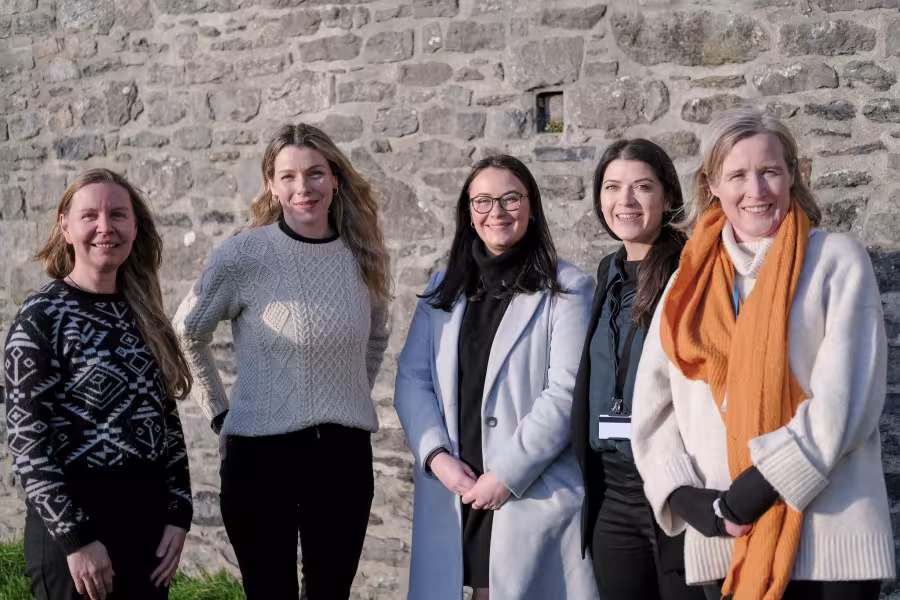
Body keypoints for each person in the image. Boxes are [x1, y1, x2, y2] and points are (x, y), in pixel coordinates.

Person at [631, 107, 895, 600]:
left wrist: (754, 489)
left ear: (792, 174)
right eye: (737, 175)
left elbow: (847, 399)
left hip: (830, 538)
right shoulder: (686, 283)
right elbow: (653, 406)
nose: (755, 190)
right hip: (726, 539)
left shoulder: (835, 260)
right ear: (712, 185)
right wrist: (686, 496)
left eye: (770, 171)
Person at [173, 123, 391, 600]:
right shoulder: (243, 255)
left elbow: (376, 339)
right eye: (287, 176)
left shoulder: (363, 255)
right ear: (271, 184)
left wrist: (345, 396)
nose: (302, 188)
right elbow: (187, 333)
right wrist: (219, 412)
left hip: (343, 458)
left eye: (315, 173)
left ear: (335, 178)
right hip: (259, 458)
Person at [394, 155, 599, 600]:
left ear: (531, 205)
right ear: (468, 212)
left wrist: (505, 474)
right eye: (482, 201)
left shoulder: (568, 289)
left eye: (510, 198)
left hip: (527, 488)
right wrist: (437, 458)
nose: (497, 212)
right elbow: (412, 380)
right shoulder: (440, 288)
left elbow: (566, 392)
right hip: (455, 486)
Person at [4, 168, 194, 600]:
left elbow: (165, 420)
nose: (105, 227)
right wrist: (76, 538)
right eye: (90, 215)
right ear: (65, 227)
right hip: (74, 528)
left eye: (118, 215)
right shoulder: (41, 318)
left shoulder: (143, 313)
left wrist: (179, 511)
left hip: (145, 526)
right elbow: (26, 438)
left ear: (134, 227)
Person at [571, 139, 702, 600]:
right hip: (612, 492)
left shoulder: (694, 269)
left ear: (668, 197)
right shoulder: (607, 270)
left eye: (641, 187)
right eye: (612, 187)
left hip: (678, 486)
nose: (624, 201)